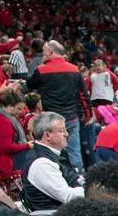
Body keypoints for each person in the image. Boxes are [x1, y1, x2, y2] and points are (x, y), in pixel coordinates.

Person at [26, 41, 89, 172]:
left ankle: (58, 177)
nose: (43, 54)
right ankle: (79, 178)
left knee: (54, 151)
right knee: (74, 152)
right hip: (71, 117)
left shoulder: (41, 70)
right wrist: (88, 115)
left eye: (44, 52)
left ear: (50, 52)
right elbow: (83, 95)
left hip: (52, 120)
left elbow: (30, 84)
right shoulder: (74, 69)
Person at [22, 111, 85, 211]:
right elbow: (67, 196)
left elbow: (75, 178)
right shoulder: (41, 163)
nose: (67, 134)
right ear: (47, 135)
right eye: (62, 131)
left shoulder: (58, 153)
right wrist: (93, 190)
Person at [0, 89, 33, 176]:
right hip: (1, 161)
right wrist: (26, 145)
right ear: (9, 106)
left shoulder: (2, 114)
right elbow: (6, 147)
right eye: (19, 109)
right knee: (37, 156)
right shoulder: (3, 121)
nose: (22, 112)